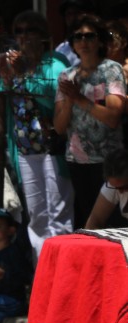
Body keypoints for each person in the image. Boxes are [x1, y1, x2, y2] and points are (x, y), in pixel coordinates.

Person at [0, 10, 73, 263]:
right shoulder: (13, 64)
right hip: (26, 150)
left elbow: (54, 99)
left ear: (43, 35)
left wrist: (23, 74)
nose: (24, 36)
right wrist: (7, 78)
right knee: (37, 216)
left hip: (53, 148)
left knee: (58, 214)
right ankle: (42, 270)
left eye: (30, 30)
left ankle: (63, 268)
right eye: (19, 31)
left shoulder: (54, 63)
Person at [54, 14, 126, 228]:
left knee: (114, 224)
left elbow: (114, 117)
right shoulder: (66, 76)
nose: (83, 42)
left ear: (100, 40)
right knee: (89, 222)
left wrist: (80, 99)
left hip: (109, 161)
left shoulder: (111, 70)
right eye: (77, 37)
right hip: (77, 161)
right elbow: (59, 127)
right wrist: (69, 100)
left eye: (89, 36)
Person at [85, 148, 128, 228]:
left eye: (124, 187)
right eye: (115, 187)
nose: (120, 192)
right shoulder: (114, 185)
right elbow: (95, 219)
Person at [54, 0, 97, 68]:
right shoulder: (62, 48)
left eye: (77, 13)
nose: (72, 18)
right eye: (69, 14)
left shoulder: (100, 43)